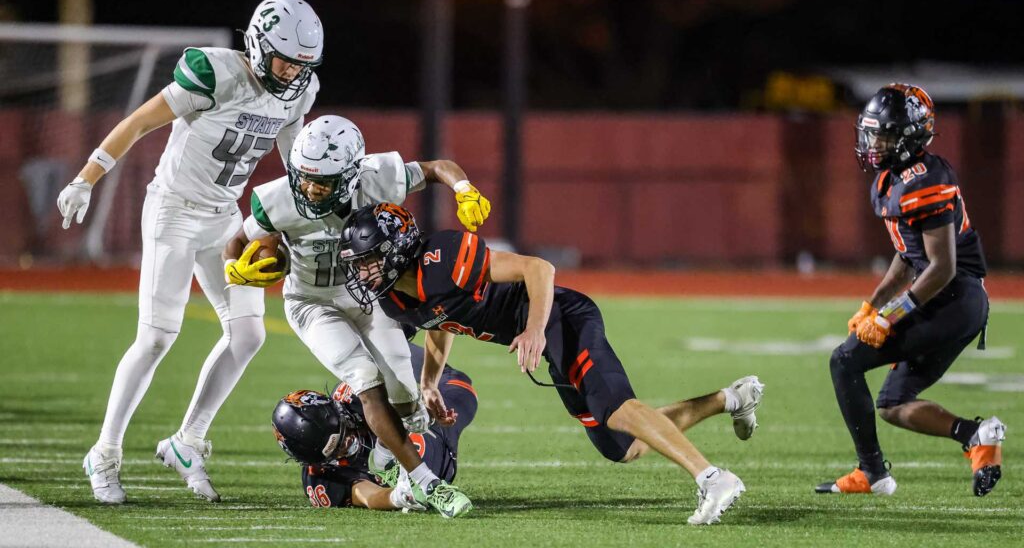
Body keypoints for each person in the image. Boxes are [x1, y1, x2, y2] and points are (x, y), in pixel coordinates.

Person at [337, 203, 764, 526]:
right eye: (359, 263)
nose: (364, 272)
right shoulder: (395, 298)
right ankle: (731, 399)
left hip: (563, 317)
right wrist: (430, 381)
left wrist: (535, 330)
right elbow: (439, 319)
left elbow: (537, 268)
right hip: (546, 335)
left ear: (399, 249)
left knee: (615, 406)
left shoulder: (443, 257)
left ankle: (712, 477)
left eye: (370, 259)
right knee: (623, 447)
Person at [59, 0, 324, 504]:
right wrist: (87, 177)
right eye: (284, 58)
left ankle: (187, 440)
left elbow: (296, 163)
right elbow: (139, 122)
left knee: (248, 336)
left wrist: (298, 225)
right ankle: (105, 452)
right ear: (257, 43)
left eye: (301, 64)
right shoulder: (215, 73)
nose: (291, 71)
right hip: (174, 211)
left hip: (226, 217)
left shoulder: (298, 91)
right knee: (157, 338)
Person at [222, 115, 489, 517]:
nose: (310, 188)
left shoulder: (376, 176)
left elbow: (437, 168)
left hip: (365, 294)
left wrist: (464, 189)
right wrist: (234, 267)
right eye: (304, 177)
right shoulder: (276, 198)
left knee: (406, 394)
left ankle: (391, 455)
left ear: (349, 176)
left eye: (322, 181)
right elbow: (240, 240)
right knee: (366, 381)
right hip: (311, 302)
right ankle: (427, 485)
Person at [816, 83, 1005, 496]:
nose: (873, 143)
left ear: (909, 137)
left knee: (844, 362)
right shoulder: (893, 180)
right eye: (871, 132)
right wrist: (872, 304)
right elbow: (908, 255)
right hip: (950, 299)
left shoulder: (927, 180)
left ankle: (872, 473)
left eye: (883, 134)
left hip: (953, 299)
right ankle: (977, 436)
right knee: (893, 404)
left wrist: (889, 316)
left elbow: (941, 267)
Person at [271, 341, 477, 511]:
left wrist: (426, 411)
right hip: (398, 468)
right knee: (420, 485)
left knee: (457, 389)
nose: (347, 445)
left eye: (344, 435)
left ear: (338, 412)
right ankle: (415, 475)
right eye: (334, 452)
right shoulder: (319, 479)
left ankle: (389, 455)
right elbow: (369, 496)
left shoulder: (354, 397)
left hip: (402, 392)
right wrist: (398, 497)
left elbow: (406, 402)